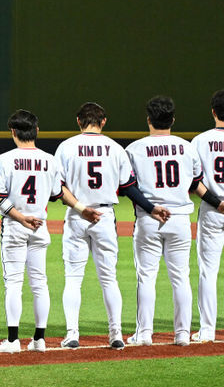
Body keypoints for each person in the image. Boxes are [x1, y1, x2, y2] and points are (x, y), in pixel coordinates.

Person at [54, 102, 169, 350]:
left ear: (78, 120)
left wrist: (80, 208)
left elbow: (57, 189)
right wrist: (150, 207)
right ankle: (115, 334)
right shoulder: (116, 148)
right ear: (103, 121)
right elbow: (128, 186)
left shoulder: (66, 147)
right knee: (109, 279)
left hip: (77, 217)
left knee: (73, 278)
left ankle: (72, 334)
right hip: (105, 216)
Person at [0, 110, 99, 354]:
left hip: (16, 225)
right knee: (39, 283)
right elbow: (59, 193)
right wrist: (81, 208)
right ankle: (39, 339)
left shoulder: (4, 159)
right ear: (36, 131)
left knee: (14, 283)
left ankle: (13, 340)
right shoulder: (49, 160)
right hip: (40, 225)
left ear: (13, 132)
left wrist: (19, 216)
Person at [125, 96, 220, 346]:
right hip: (179, 218)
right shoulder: (187, 147)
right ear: (173, 119)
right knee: (181, 277)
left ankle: (144, 334)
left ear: (148, 119)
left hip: (149, 218)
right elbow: (194, 182)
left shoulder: (134, 148)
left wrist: (151, 207)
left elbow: (128, 186)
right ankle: (182, 334)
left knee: (146, 276)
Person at [191, 89, 224, 343]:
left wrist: (217, 202)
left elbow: (193, 181)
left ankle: (207, 330)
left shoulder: (199, 141)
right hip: (214, 212)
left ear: (213, 111)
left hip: (213, 211)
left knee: (208, 272)